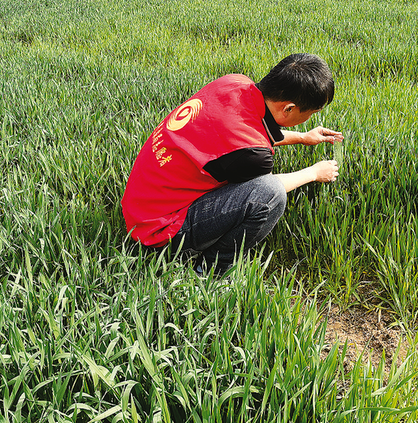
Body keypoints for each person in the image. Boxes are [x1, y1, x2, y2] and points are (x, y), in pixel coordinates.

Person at [121, 53, 343, 274]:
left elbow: (241, 132)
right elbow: (264, 182)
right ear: (289, 109)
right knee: (271, 195)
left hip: (140, 207)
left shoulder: (234, 83)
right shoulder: (255, 156)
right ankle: (210, 272)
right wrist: (314, 173)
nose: (309, 119)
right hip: (160, 231)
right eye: (311, 113)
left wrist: (303, 137)